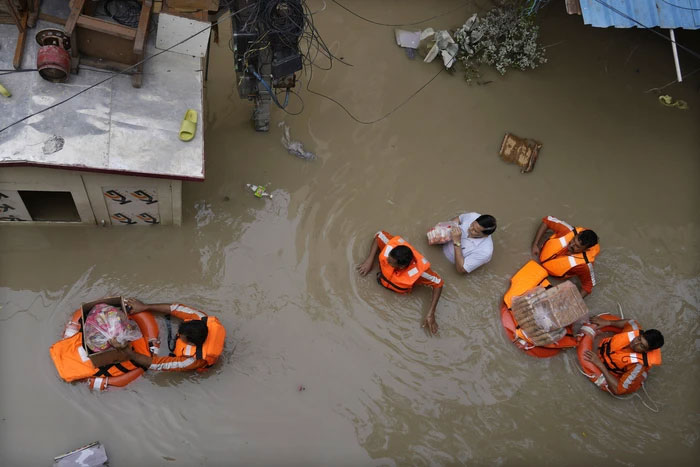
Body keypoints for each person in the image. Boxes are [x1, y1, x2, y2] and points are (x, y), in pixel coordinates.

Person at [357, 231, 443, 334]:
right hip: (382, 279)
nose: (386, 261)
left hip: (399, 295)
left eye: (390, 262)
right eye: (388, 258)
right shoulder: (388, 247)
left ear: (401, 267)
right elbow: (378, 235)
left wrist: (431, 312)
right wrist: (370, 260)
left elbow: (439, 283)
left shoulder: (420, 274)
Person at [111, 298, 225, 372]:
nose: (178, 335)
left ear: (190, 343)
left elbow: (155, 364)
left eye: (181, 336)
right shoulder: (200, 317)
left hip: (193, 363)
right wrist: (145, 307)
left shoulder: (191, 361)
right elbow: (175, 309)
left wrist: (126, 351)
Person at [583, 316, 663, 395]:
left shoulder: (637, 366)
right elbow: (629, 322)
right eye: (639, 339)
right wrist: (608, 322)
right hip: (601, 348)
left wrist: (600, 365)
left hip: (608, 369)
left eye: (641, 345)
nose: (635, 343)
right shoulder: (633, 330)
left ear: (646, 351)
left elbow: (618, 390)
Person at [530, 216, 600, 297]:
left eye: (577, 246)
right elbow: (547, 220)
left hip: (552, 276)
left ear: (585, 250)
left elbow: (587, 287)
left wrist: (573, 303)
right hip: (539, 259)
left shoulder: (584, 265)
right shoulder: (567, 230)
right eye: (573, 240)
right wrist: (535, 244)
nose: (571, 245)